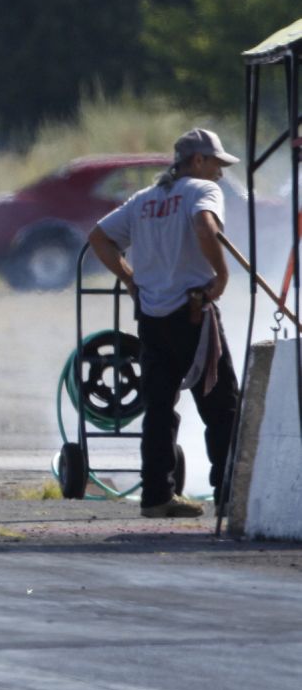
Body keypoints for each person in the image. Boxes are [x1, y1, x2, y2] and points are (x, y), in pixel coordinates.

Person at [87, 128, 240, 518]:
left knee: (158, 408)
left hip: (152, 317)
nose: (220, 173)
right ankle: (228, 495)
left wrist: (130, 279)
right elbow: (205, 227)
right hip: (193, 313)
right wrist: (222, 277)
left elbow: (99, 237)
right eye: (217, 164)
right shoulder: (202, 190)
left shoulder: (144, 199)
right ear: (198, 161)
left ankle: (157, 495)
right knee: (221, 405)